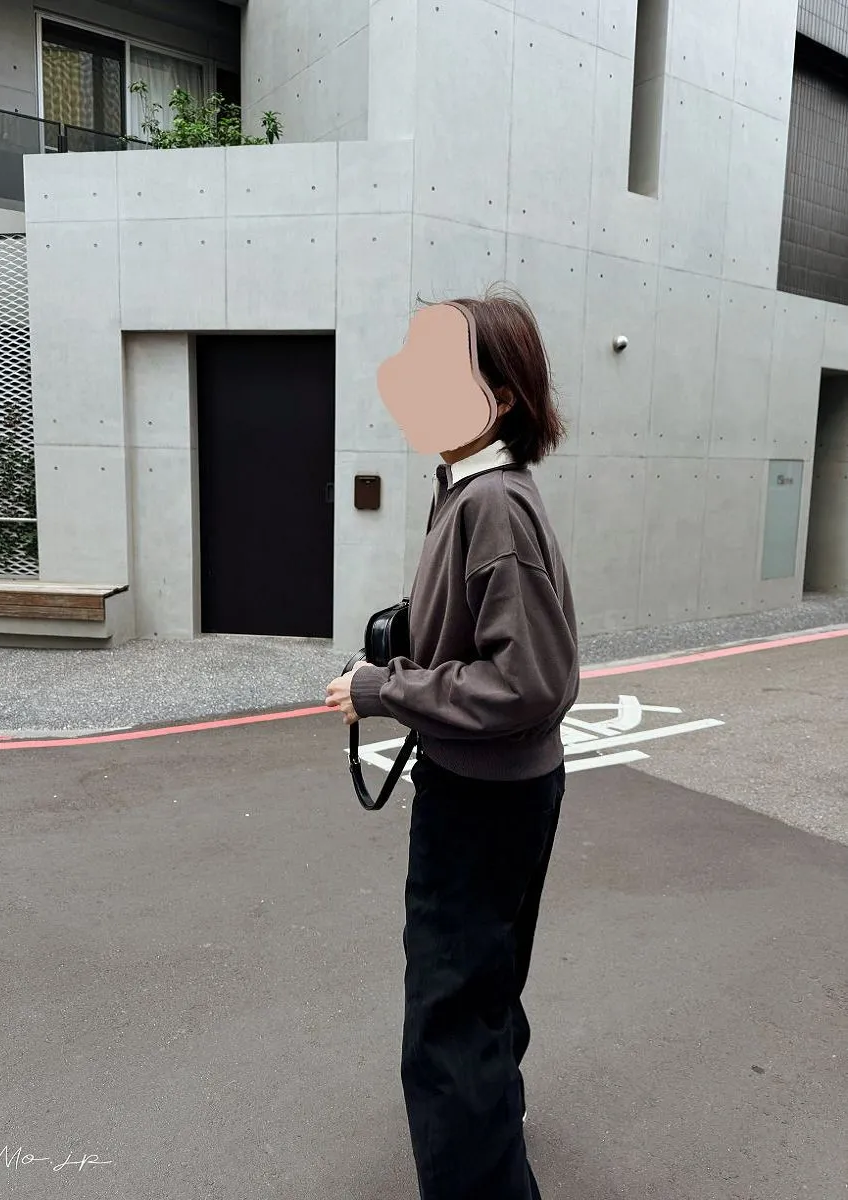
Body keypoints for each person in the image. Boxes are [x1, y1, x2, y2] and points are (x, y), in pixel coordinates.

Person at [325, 288, 579, 1200]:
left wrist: (382, 687)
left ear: (499, 397)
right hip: (505, 788)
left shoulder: (491, 506)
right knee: (483, 986)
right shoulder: (473, 491)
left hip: (481, 799)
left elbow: (530, 681)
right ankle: (494, 1130)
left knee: (448, 1016)